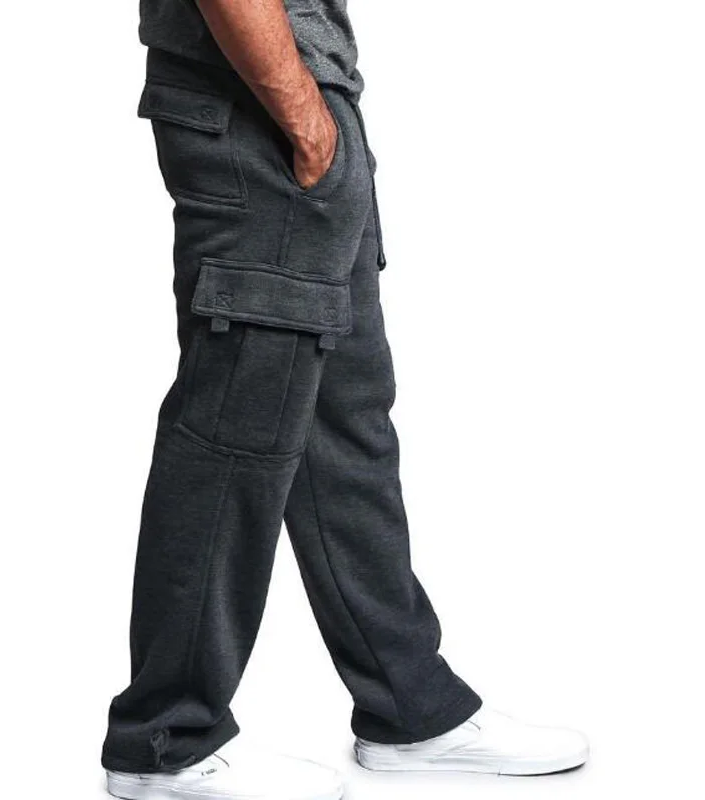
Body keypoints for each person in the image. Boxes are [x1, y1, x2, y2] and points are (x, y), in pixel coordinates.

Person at [102, 1, 589, 798]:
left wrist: (323, 124)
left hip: (300, 113)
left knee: (344, 427)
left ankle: (410, 706)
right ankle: (166, 740)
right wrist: (303, 117)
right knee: (232, 432)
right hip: (257, 113)